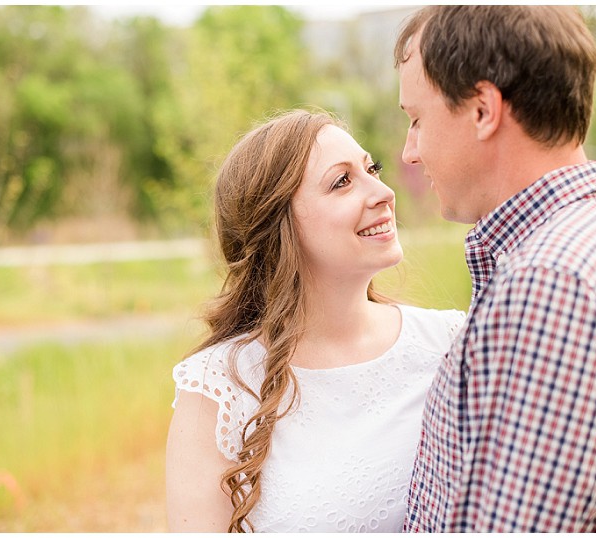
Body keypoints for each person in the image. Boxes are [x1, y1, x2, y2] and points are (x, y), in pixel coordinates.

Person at [393, 5, 596, 532]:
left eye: (417, 119)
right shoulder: (580, 241)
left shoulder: (551, 287)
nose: (410, 150)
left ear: (484, 109)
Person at [165, 108, 465, 532]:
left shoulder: (453, 341)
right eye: (342, 182)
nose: (382, 192)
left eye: (371, 169)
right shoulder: (218, 385)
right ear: (279, 226)